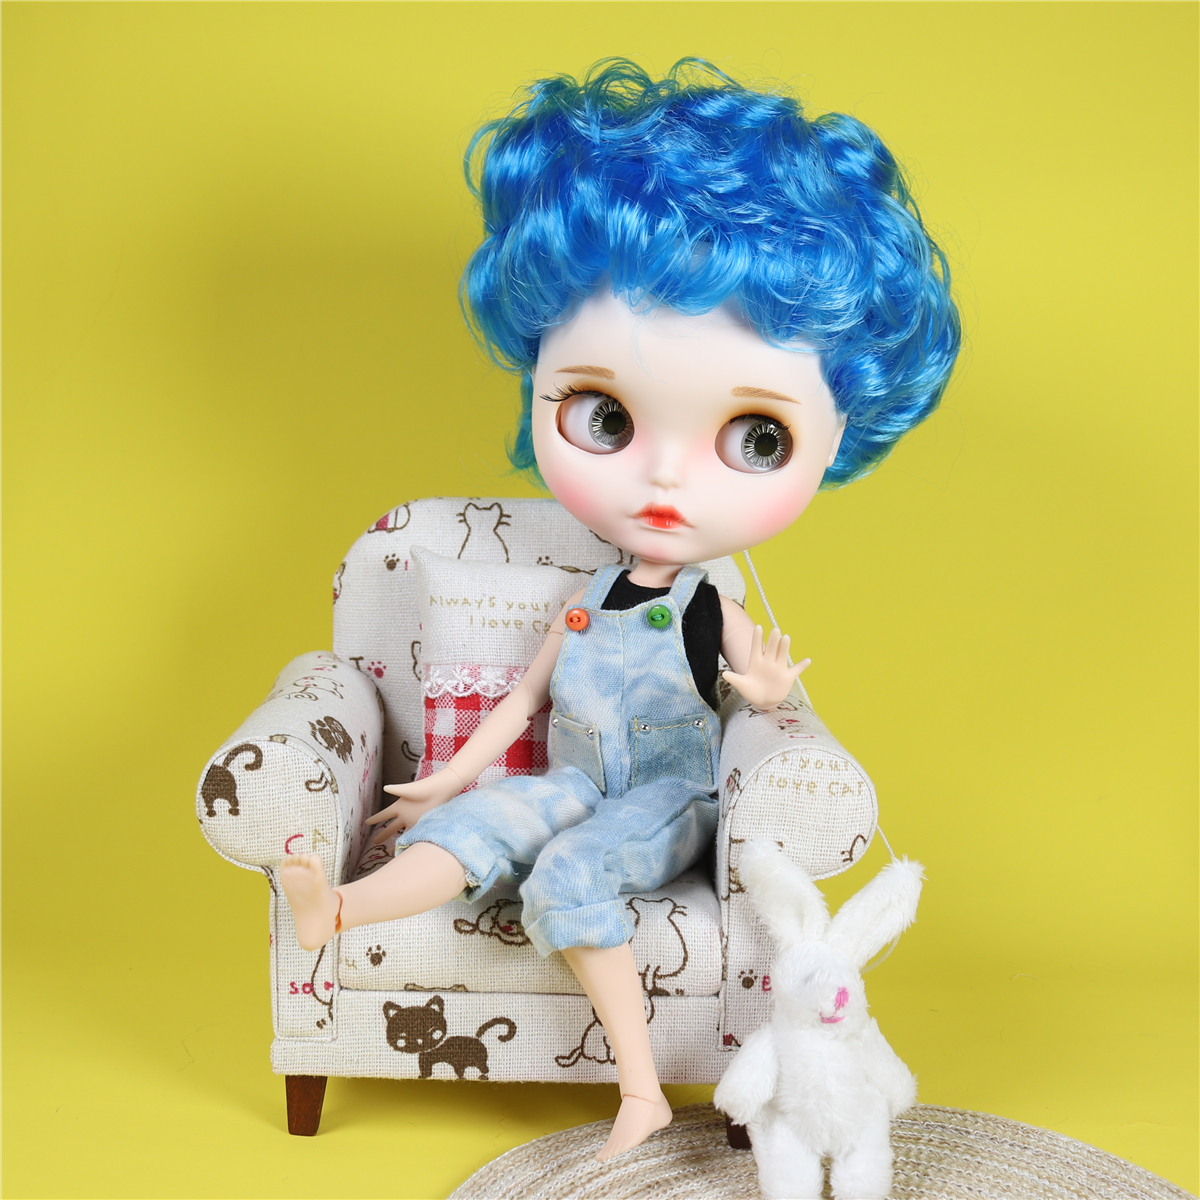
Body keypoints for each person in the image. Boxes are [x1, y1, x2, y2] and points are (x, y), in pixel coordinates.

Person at [280, 58, 960, 1161]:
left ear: (840, 433)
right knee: (488, 824)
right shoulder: (587, 596)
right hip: (577, 781)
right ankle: (339, 913)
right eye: (607, 418)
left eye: (756, 438)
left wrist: (765, 690)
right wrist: (447, 781)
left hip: (668, 798)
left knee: (570, 871)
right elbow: (525, 702)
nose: (665, 481)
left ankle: (640, 1089)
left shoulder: (707, 600)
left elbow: (753, 685)